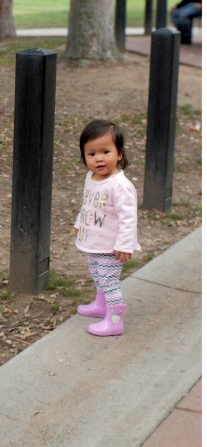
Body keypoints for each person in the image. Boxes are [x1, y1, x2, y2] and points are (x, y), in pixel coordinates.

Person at [73, 120, 141, 336]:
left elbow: (128, 218)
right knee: (97, 274)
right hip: (95, 242)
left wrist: (125, 245)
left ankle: (115, 320)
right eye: (92, 154)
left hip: (111, 247)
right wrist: (79, 223)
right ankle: (101, 305)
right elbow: (88, 204)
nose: (99, 158)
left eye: (105, 152)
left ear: (119, 153)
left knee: (109, 282)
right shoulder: (90, 177)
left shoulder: (120, 186)